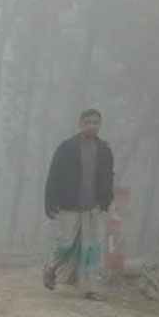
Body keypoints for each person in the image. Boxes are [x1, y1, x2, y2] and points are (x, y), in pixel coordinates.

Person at [43, 107, 115, 300]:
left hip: (94, 206)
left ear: (99, 125)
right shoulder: (66, 148)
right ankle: (51, 268)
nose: (92, 126)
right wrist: (50, 202)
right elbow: (54, 176)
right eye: (88, 122)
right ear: (81, 124)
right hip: (70, 204)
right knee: (66, 244)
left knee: (92, 249)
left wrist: (106, 200)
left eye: (95, 123)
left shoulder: (105, 150)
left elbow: (109, 176)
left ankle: (91, 288)